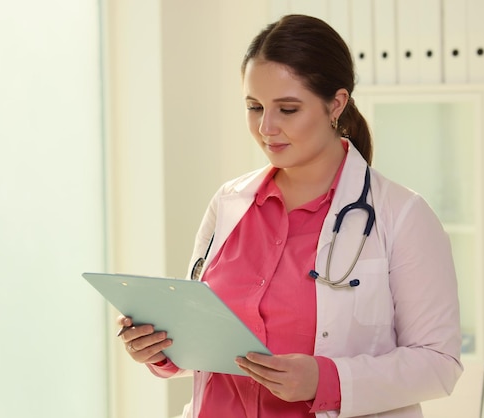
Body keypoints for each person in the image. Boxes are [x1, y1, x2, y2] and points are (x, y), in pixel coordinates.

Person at [117, 14, 462, 418]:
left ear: (336, 103)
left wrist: (327, 381)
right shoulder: (229, 203)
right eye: (254, 107)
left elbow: (439, 363)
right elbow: (207, 339)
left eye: (288, 109)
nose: (266, 127)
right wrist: (162, 350)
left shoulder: (402, 215)